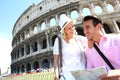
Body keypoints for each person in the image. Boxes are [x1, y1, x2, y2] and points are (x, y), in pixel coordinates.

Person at [82, 15, 120, 80]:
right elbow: (90, 71)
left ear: (98, 26)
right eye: (84, 29)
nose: (85, 31)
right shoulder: (88, 50)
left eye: (88, 27)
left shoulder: (116, 39)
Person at [53, 15, 87, 80]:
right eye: (69, 28)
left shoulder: (79, 39)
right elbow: (55, 61)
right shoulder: (58, 41)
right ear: (64, 30)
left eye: (73, 26)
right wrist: (56, 76)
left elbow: (92, 40)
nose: (72, 29)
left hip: (82, 75)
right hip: (67, 76)